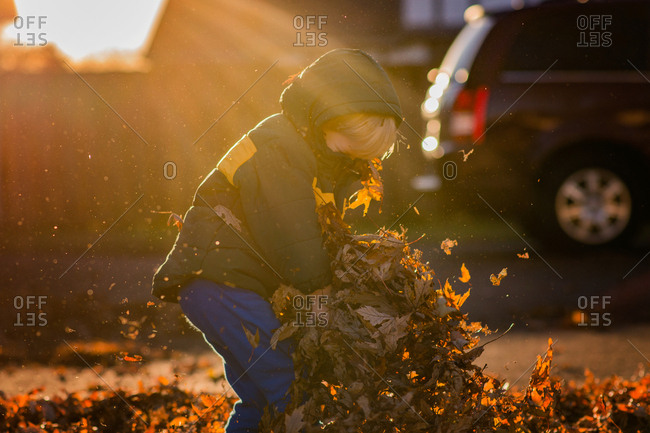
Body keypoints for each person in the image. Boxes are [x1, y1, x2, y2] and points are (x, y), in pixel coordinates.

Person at [152, 48, 402, 432]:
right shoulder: (280, 148)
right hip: (224, 287)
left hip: (221, 288)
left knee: (260, 401)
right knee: (295, 394)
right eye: (346, 147)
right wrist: (322, 292)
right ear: (323, 118)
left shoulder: (312, 152)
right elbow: (293, 236)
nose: (348, 159)